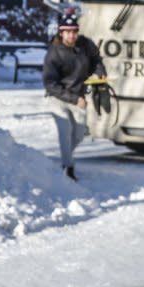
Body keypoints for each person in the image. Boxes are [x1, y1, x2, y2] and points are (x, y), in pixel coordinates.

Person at [42, 10, 106, 181]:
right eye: (67, 32)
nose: (71, 35)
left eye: (74, 31)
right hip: (57, 97)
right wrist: (73, 98)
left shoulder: (85, 44)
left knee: (78, 133)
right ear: (61, 33)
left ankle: (65, 156)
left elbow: (96, 58)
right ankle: (68, 167)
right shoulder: (54, 52)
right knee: (66, 130)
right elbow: (50, 83)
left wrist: (100, 72)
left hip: (79, 96)